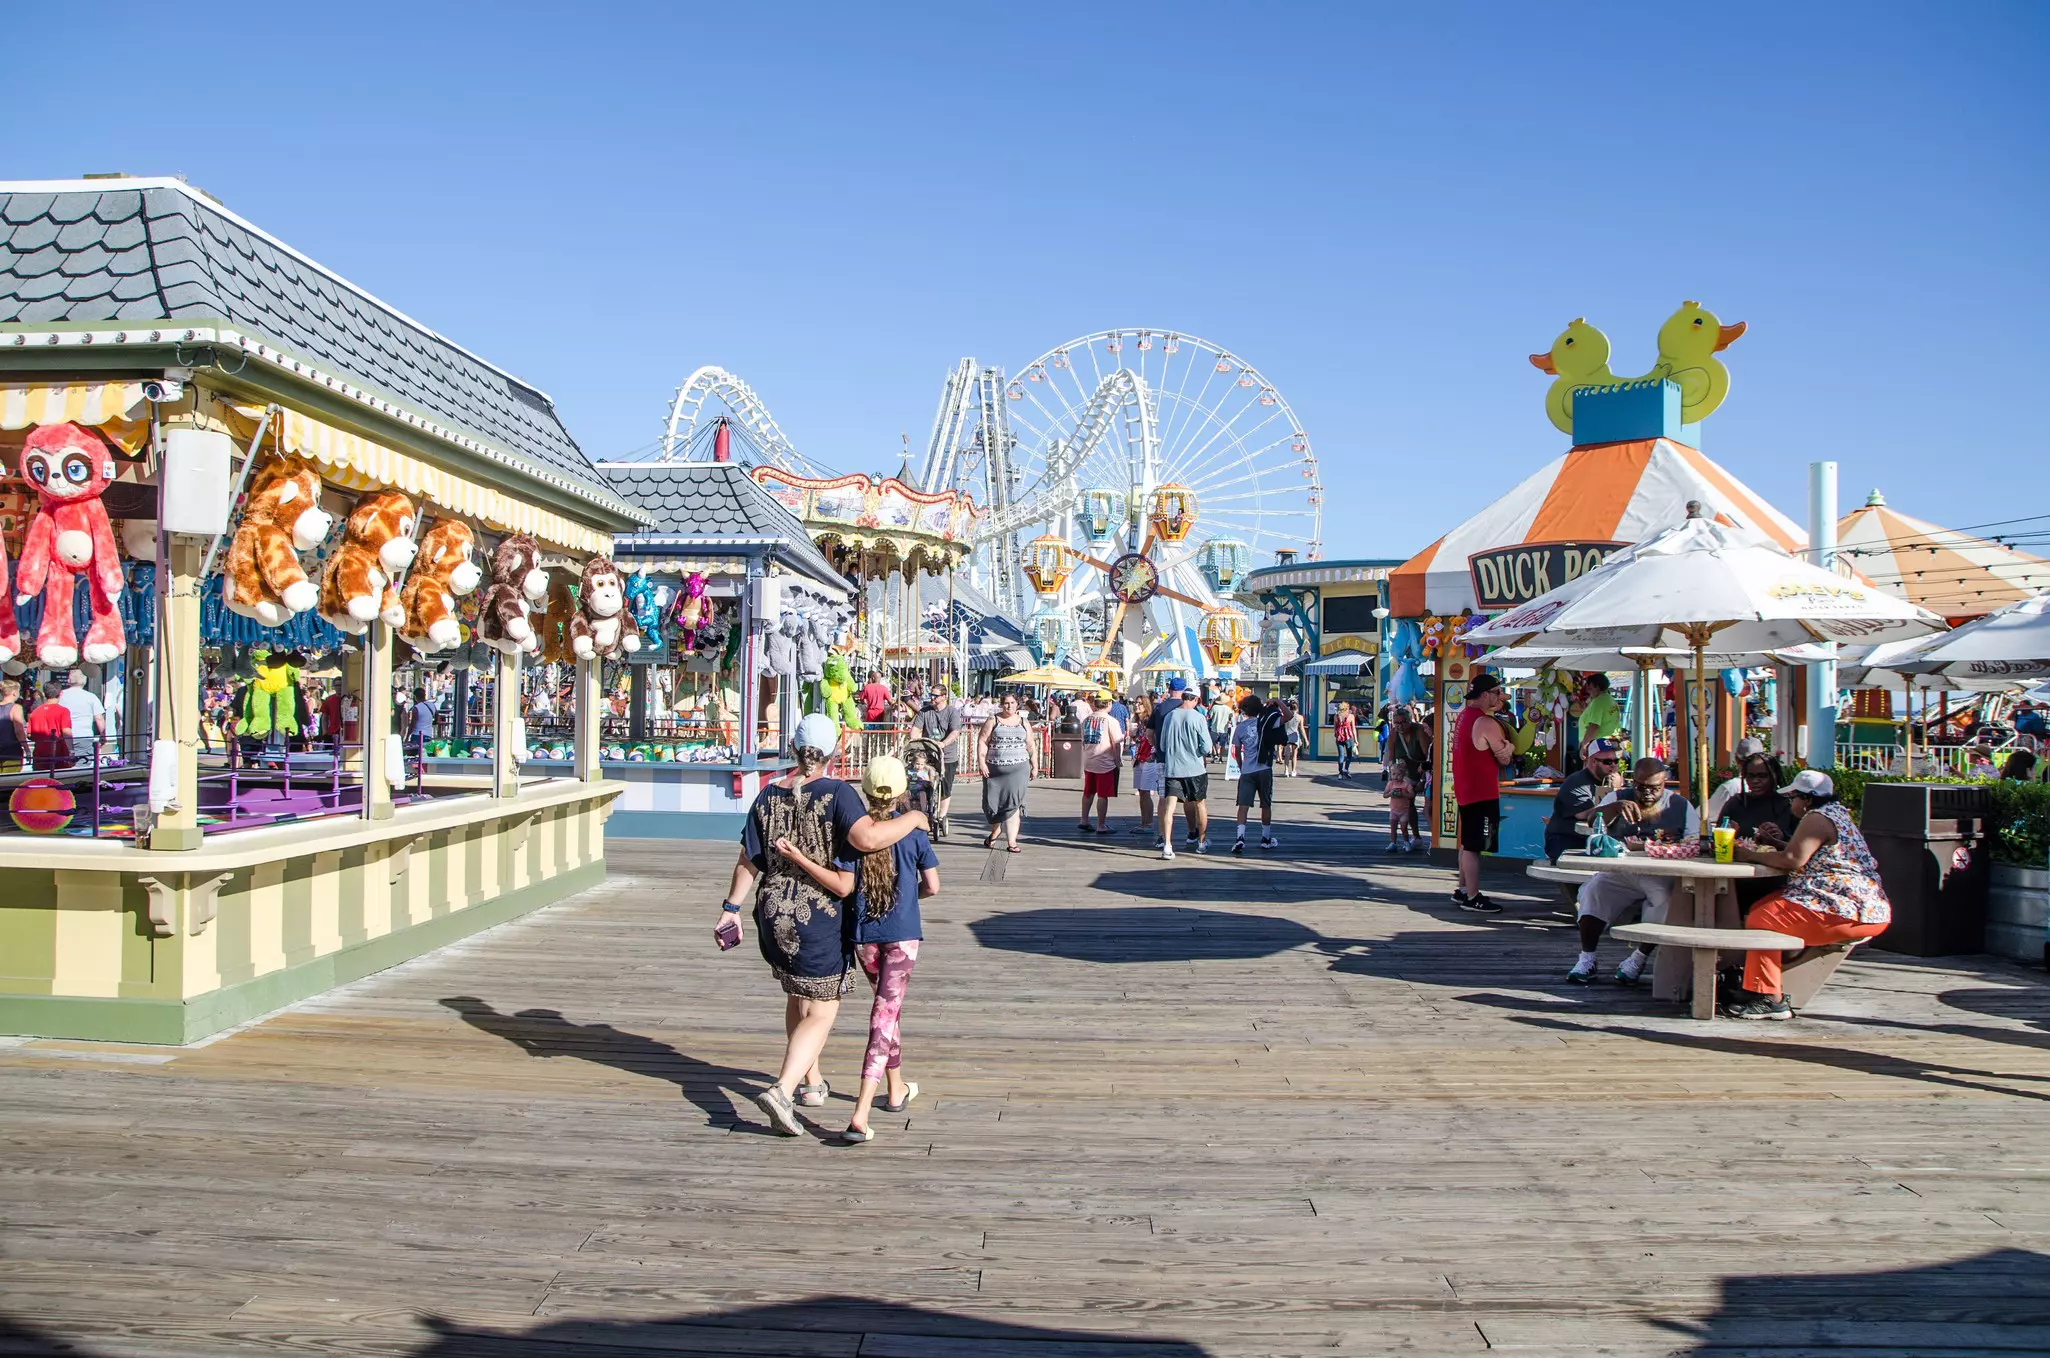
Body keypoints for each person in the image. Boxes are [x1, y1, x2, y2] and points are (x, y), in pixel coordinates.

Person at [714, 713, 928, 1137]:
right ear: (835, 752)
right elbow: (868, 839)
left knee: (797, 995)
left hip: (773, 911)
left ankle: (812, 1084)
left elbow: (748, 859)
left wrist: (730, 908)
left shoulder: (768, 795)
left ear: (793, 748)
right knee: (823, 1008)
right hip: (818, 916)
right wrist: (914, 820)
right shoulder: (837, 794)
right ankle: (783, 1090)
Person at [774, 755, 938, 1143]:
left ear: (864, 791)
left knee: (888, 1009)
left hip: (863, 937)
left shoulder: (851, 834)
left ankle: (896, 1090)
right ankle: (861, 1113)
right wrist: (907, 900)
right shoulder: (914, 834)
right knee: (884, 1015)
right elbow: (932, 885)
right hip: (902, 937)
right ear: (901, 793)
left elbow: (842, 882)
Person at [1723, 770, 1892, 1020]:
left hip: (1850, 911)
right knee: (1764, 906)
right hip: (1863, 906)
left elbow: (1793, 859)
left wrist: (1748, 855)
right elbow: (1805, 852)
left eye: (1794, 797)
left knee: (1762, 919)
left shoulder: (1816, 818)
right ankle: (1757, 985)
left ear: (1808, 799)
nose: (1791, 803)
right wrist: (1776, 843)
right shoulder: (1838, 813)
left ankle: (1770, 999)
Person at [1565, 758, 1702, 986]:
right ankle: (1587, 958)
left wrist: (1671, 842)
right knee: (1594, 891)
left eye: (1654, 788)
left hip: (1660, 873)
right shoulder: (1618, 798)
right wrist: (1614, 808)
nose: (1647, 794)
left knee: (1666, 900)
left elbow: (1695, 842)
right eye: (1641, 787)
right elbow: (1592, 821)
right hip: (1620, 870)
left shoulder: (1680, 805)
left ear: (1664, 783)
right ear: (1633, 782)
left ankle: (1638, 959)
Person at [1451, 673, 1514, 912]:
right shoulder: (1485, 722)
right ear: (1486, 694)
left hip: (1467, 788)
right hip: (1481, 792)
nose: (1499, 698)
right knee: (1474, 846)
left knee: (1467, 843)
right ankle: (1473, 896)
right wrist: (1510, 745)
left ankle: (1463, 889)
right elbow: (1505, 757)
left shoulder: (1464, 716)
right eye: (1497, 693)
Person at [1156, 684, 1214, 858]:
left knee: (1170, 807)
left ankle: (1167, 845)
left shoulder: (1169, 716)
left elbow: (1162, 745)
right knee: (1199, 804)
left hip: (1173, 769)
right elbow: (1207, 747)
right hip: (1195, 769)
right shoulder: (1198, 717)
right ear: (1195, 699)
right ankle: (1202, 843)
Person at [1542, 738, 1623, 864]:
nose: (1613, 765)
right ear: (1593, 761)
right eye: (1608, 762)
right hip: (1567, 841)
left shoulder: (1607, 782)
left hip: (1594, 840)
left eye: (1615, 761)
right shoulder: (1576, 782)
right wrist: (1616, 791)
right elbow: (1586, 814)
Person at [978, 692, 1036, 852]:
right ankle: (995, 831)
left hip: (1019, 769)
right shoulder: (993, 720)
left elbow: (1030, 744)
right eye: (1005, 703)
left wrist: (1034, 764)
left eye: (1011, 703)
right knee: (993, 805)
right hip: (994, 769)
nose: (1008, 706)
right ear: (1001, 704)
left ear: (1017, 704)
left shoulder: (1024, 722)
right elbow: (983, 741)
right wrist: (981, 762)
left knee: (1013, 805)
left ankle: (1012, 842)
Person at [914, 688, 966, 840]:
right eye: (931, 694)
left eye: (935, 695)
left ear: (944, 697)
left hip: (946, 755)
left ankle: (941, 815)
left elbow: (955, 731)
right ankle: (923, 810)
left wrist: (944, 743)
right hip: (927, 754)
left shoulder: (952, 712)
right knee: (921, 781)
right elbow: (916, 729)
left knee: (944, 785)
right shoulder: (925, 711)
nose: (932, 698)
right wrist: (914, 739)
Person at [1230, 692, 1278, 854]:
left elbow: (1236, 752)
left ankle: (1240, 838)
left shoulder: (1240, 728)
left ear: (1244, 709)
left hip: (1247, 771)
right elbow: (1288, 717)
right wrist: (1277, 701)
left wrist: (1241, 766)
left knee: (1243, 806)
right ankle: (1265, 838)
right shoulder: (1264, 724)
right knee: (1265, 804)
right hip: (1264, 768)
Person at [1382, 703, 1429, 853]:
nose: (1400, 726)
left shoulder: (1419, 731)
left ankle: (1422, 838)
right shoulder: (1394, 734)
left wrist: (1423, 779)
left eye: (1403, 722)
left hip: (1423, 772)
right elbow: (1391, 757)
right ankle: (1414, 837)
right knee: (1407, 804)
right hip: (1405, 775)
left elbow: (1428, 756)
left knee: (1426, 807)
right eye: (1397, 723)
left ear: (1410, 720)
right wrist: (1392, 777)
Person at [1077, 692, 1124, 834]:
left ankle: (1084, 820)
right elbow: (1116, 743)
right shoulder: (1110, 721)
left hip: (1089, 760)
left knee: (1088, 792)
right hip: (1105, 762)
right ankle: (1101, 824)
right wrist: (1117, 759)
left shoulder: (1086, 720)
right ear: (1108, 703)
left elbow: (1083, 739)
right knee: (1103, 795)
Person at [1129, 692, 1161, 837]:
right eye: (1135, 703)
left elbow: (1155, 738)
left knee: (1146, 791)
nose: (1136, 705)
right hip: (1140, 757)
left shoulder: (1149, 720)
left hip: (1149, 758)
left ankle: (1148, 823)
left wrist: (1153, 754)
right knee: (1141, 791)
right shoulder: (1138, 721)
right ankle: (1144, 822)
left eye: (1140, 703)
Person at [58, 669, 107, 758]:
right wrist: (103, 735)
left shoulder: (60, 696)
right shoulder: (91, 697)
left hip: (63, 736)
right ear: (84, 681)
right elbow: (99, 718)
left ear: (69, 680)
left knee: (63, 765)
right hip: (84, 735)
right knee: (84, 765)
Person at [28, 680, 73, 771]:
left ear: (44, 694)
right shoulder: (63, 711)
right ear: (60, 693)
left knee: (41, 781)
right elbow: (66, 731)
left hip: (40, 754)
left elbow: (29, 735)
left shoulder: (35, 712)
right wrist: (71, 751)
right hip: (59, 754)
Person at [1577, 674, 1623, 758]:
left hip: (1599, 745)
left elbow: (1594, 726)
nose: (1588, 691)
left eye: (1590, 688)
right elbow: (1605, 718)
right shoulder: (1610, 700)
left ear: (1597, 687)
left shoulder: (1598, 702)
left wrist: (1584, 745)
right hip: (1612, 742)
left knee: (1595, 770)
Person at [0, 679, 24, 773]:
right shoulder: (16, 708)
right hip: (11, 751)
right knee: (9, 782)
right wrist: (26, 748)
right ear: (14, 693)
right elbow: (19, 731)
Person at [1278, 699, 1306, 777]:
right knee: (1294, 754)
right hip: (1295, 735)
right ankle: (1293, 771)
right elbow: (1302, 729)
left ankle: (1286, 770)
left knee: (1287, 754)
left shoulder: (1286, 716)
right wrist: (1306, 740)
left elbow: (1281, 725)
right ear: (1297, 708)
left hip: (1287, 735)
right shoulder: (1300, 717)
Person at [1333, 701, 1358, 779]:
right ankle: (1346, 769)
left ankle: (1340, 773)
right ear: (1347, 708)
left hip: (1339, 737)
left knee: (1341, 755)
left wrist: (1336, 735)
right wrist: (1356, 740)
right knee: (1349, 755)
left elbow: (1335, 727)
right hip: (1348, 737)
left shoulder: (1336, 716)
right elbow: (1353, 728)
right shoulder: (1351, 716)